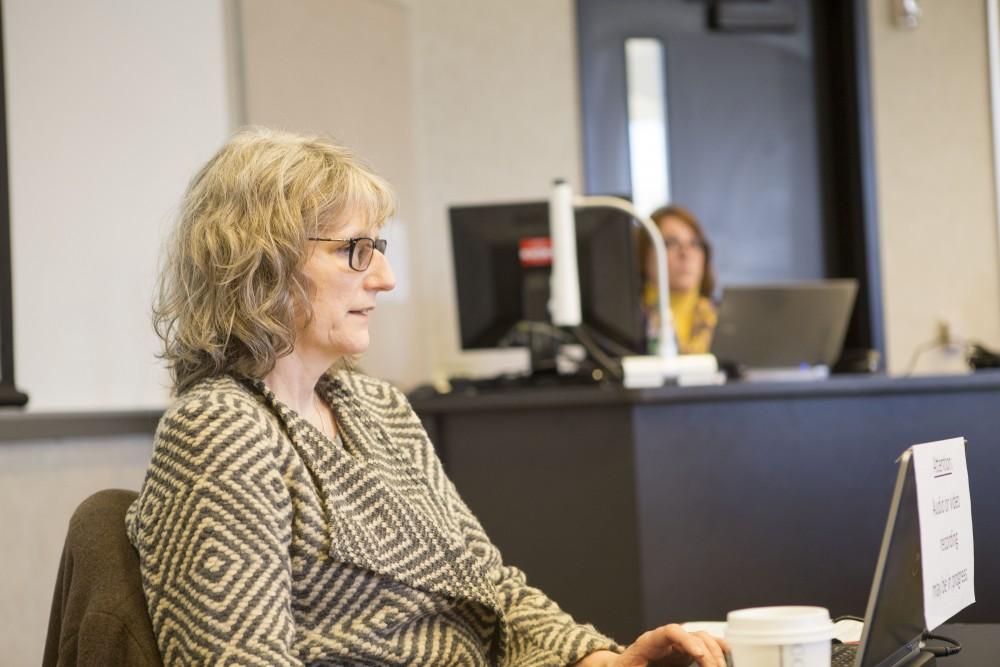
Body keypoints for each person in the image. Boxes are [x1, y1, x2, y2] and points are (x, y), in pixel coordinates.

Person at [126, 127, 729, 666]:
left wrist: (597, 660)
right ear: (261, 264)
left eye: (379, 250)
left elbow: (489, 585)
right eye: (353, 250)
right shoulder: (217, 429)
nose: (384, 279)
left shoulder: (377, 407)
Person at [637, 205, 717, 355]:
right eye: (671, 243)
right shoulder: (626, 325)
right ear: (643, 254)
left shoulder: (724, 321)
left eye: (694, 243)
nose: (686, 253)